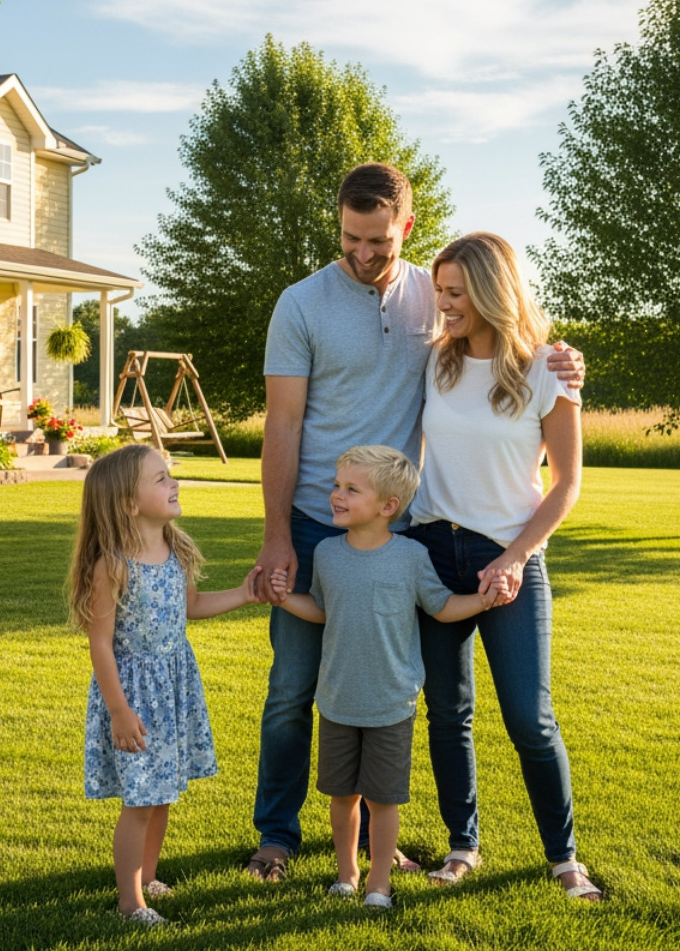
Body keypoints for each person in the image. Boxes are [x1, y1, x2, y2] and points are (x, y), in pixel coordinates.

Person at [247, 162, 585, 882]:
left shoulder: (435, 301)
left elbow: (507, 334)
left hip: (406, 535)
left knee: (390, 692)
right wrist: (277, 535)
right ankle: (278, 836)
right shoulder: (305, 305)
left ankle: (386, 841)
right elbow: (282, 423)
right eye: (350, 238)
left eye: (379, 241)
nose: (363, 254)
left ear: (405, 226)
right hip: (320, 524)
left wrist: (561, 360)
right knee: (293, 691)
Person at [407, 231, 601, 900]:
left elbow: (567, 485)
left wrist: (516, 559)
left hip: (509, 557)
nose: (444, 304)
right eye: (440, 291)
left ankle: (564, 858)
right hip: (433, 550)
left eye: (456, 293)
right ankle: (462, 845)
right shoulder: (435, 362)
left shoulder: (550, 369)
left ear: (493, 291)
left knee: (530, 719)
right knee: (447, 712)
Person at [269, 445, 505, 909]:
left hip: (391, 705)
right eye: (337, 485)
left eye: (351, 489)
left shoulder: (411, 557)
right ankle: (347, 875)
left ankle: (379, 883)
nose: (336, 495)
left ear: (387, 506)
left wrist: (483, 600)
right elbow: (321, 610)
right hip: (337, 700)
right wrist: (284, 598)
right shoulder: (326, 553)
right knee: (342, 797)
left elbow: (441, 607)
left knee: (382, 802)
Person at [68, 444, 263, 925]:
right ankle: (130, 903)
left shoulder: (176, 549)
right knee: (140, 800)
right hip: (134, 696)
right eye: (160, 478)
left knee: (161, 794)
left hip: (173, 689)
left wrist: (244, 594)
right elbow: (100, 645)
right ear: (128, 504)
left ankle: (148, 875)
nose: (173, 483)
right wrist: (119, 711)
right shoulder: (113, 566)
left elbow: (190, 606)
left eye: (169, 474)